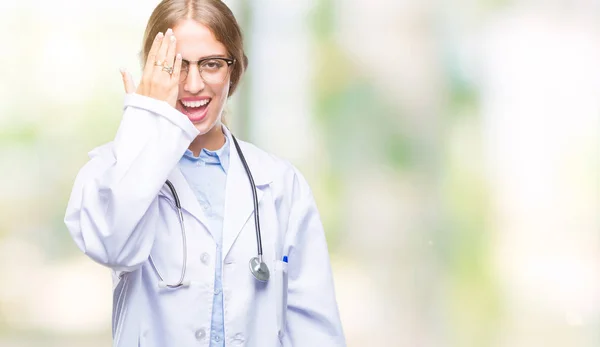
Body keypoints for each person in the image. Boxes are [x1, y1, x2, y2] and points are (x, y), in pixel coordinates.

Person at [64, 0, 346, 346]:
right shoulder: (113, 171)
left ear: (235, 69)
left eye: (211, 64)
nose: (194, 84)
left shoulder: (280, 184)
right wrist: (146, 117)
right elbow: (113, 246)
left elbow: (315, 332)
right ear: (153, 72)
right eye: (176, 65)